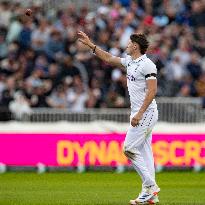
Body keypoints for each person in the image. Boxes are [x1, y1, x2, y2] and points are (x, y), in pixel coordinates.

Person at [78, 31, 160, 204]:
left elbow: (152, 91)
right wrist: (91, 45)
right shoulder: (130, 61)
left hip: (145, 112)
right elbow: (108, 58)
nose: (127, 45)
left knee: (128, 149)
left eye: (129, 43)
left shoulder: (148, 65)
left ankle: (151, 187)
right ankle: (152, 195)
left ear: (136, 46)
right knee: (145, 153)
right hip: (141, 113)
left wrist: (139, 113)